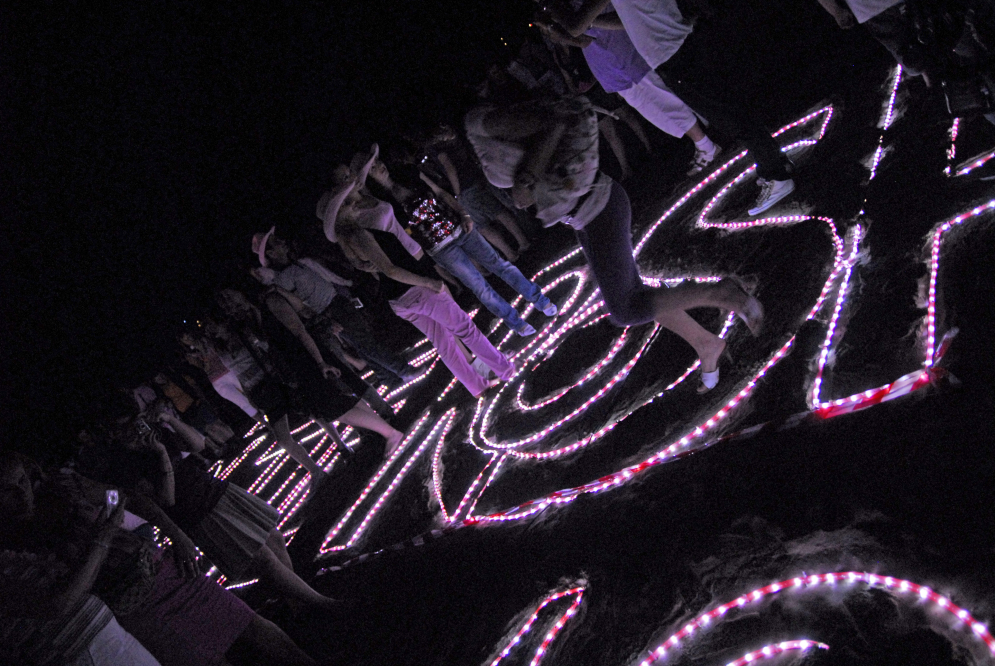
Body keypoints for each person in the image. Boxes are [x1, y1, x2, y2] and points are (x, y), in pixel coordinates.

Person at [465, 94, 764, 392]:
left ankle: (722, 293)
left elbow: (555, 125)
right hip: (587, 217)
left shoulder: (484, 122)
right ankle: (705, 343)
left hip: (600, 210)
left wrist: (527, 181)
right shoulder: (478, 128)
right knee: (634, 295)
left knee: (626, 310)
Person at [0, 450, 316, 666]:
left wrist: (175, 535)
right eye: (7, 490)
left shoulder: (65, 489)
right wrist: (101, 537)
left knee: (250, 624)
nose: (20, 492)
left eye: (21, 481)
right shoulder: (13, 545)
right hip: (128, 608)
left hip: (161, 570)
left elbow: (120, 496)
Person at [549, 0, 797, 216]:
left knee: (729, 115)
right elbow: (624, 20)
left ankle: (776, 174)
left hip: (671, 52)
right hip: (677, 44)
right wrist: (595, 24)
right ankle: (777, 163)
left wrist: (548, 11)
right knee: (729, 109)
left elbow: (574, 26)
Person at [332, 145, 557, 337]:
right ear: (368, 178)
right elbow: (387, 233)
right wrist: (360, 260)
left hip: (460, 229)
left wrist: (463, 213)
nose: (379, 167)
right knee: (480, 286)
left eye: (377, 162)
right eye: (372, 169)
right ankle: (516, 322)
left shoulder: (408, 173)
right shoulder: (383, 204)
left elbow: (440, 193)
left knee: (500, 264)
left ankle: (539, 299)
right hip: (440, 248)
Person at [329, 182, 518, 398]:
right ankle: (505, 369)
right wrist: (428, 282)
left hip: (400, 299)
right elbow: (390, 270)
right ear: (339, 213)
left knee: (444, 342)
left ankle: (477, 386)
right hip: (414, 290)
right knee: (463, 328)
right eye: (346, 203)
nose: (353, 203)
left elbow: (377, 269)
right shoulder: (359, 235)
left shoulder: (350, 239)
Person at [215, 288, 404, 456]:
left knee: (335, 408)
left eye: (229, 296)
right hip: (297, 366)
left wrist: (321, 362)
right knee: (342, 402)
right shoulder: (252, 319)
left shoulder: (271, 301)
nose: (229, 304)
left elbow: (299, 330)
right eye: (223, 303)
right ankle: (386, 428)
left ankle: (390, 432)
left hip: (308, 358)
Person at [535, 7, 721, 176]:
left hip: (625, 58)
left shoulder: (579, 8)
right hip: (614, 68)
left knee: (667, 102)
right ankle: (705, 142)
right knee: (658, 110)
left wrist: (554, 29)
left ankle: (707, 144)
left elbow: (582, 37)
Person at [251, 226, 419, 385]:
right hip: (329, 311)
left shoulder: (299, 264)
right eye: (276, 242)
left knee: (363, 344)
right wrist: (325, 320)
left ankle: (388, 376)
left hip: (336, 303)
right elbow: (299, 306)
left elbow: (325, 277)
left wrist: (347, 284)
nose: (282, 241)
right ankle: (402, 371)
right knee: (366, 343)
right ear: (271, 254)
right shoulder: (283, 279)